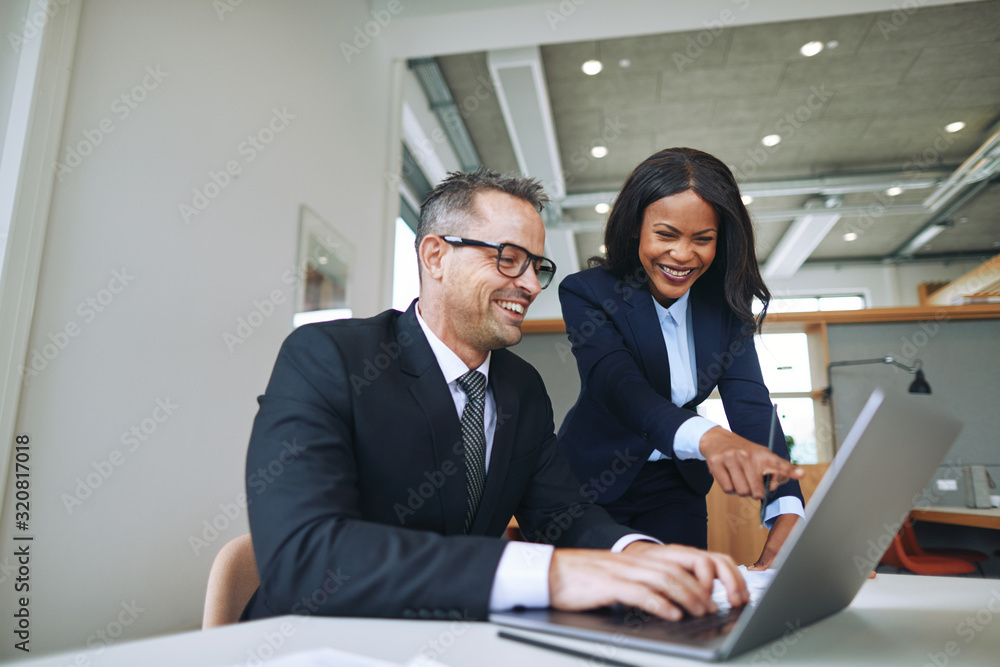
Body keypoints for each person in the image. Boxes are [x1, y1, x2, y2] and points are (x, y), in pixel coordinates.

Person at [241, 168, 748, 623]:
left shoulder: (521, 388)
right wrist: (553, 575)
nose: (529, 284)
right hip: (312, 639)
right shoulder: (328, 357)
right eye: (508, 259)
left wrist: (634, 551)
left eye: (537, 267)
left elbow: (562, 513)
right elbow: (303, 558)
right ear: (435, 255)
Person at [557, 147, 805, 569]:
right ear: (636, 228)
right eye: (666, 235)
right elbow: (620, 388)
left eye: (703, 239)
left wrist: (786, 508)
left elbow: (750, 403)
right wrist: (710, 438)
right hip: (591, 485)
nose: (683, 255)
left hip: (676, 485)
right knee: (596, 615)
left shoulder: (725, 306)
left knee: (684, 608)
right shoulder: (588, 292)